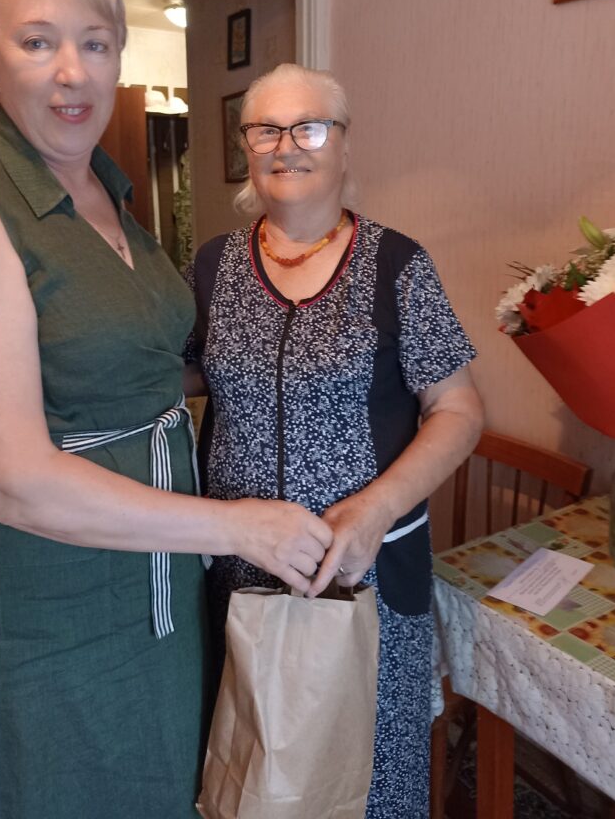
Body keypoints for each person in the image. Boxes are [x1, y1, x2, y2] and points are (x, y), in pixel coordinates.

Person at [0, 0, 333, 819]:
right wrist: (236, 525)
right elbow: (11, 482)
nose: (72, 73)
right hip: (45, 608)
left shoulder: (109, 198)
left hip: (153, 585)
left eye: (95, 43)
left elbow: (138, 364)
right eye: (36, 42)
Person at [185, 63, 484, 818]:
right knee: (254, 769)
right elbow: (183, 373)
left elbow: (457, 409)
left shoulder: (396, 264)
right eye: (266, 130)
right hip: (242, 573)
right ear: (247, 148)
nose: (287, 145)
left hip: (367, 573)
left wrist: (374, 511)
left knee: (371, 778)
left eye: (310, 128)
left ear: (344, 145)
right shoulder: (213, 265)